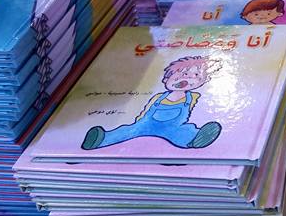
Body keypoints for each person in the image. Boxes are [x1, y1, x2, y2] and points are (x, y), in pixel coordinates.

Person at [82, 56, 223, 150]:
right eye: (183, 74)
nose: (188, 77)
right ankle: (101, 139)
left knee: (184, 131)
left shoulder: (192, 97)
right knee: (126, 131)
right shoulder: (159, 97)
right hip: (146, 124)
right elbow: (147, 110)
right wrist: (139, 122)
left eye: (196, 76)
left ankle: (196, 139)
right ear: (166, 79)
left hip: (173, 127)